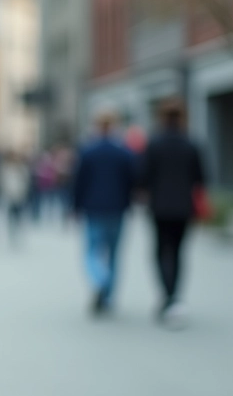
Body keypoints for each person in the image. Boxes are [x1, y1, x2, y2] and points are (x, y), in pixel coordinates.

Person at [140, 100, 206, 326]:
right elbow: (201, 178)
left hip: (159, 207)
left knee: (160, 252)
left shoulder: (155, 143)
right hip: (183, 207)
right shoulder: (191, 144)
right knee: (178, 252)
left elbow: (143, 176)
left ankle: (167, 295)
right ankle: (174, 296)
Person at [71, 110, 137, 315]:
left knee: (92, 251)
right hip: (117, 209)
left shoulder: (87, 151)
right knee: (114, 254)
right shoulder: (124, 152)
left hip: (93, 209)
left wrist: (75, 206)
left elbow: (78, 182)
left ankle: (100, 280)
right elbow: (133, 181)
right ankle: (107, 296)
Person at [0, 150, 31, 245]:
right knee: (10, 214)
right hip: (8, 194)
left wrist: (24, 191)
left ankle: (18, 230)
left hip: (19, 194)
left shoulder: (21, 167)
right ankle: (12, 231)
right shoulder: (3, 167)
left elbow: (26, 180)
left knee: (18, 214)